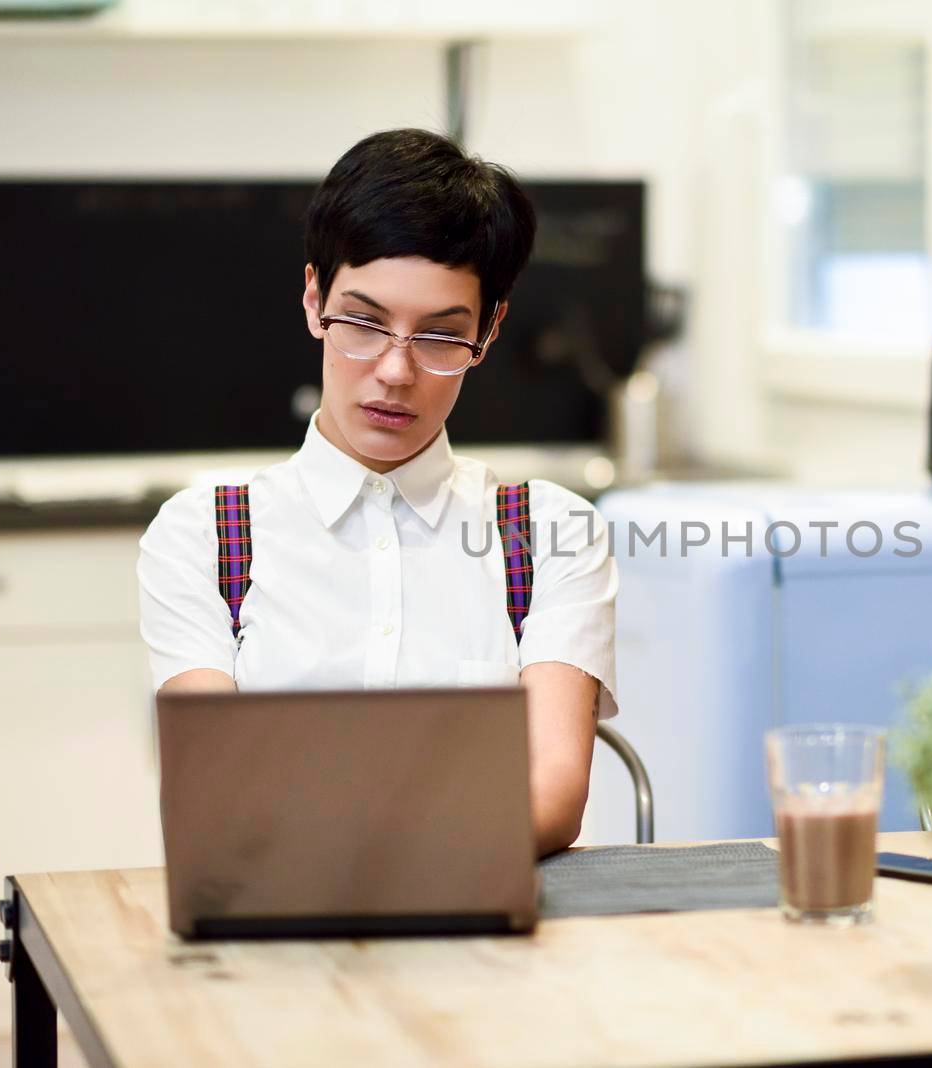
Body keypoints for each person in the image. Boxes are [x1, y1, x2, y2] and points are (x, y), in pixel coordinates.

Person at [136, 129, 618, 856]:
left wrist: (368, 853)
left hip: (490, 936)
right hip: (277, 934)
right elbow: (210, 787)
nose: (395, 370)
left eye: (439, 336)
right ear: (313, 298)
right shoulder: (205, 533)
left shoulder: (551, 534)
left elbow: (552, 793)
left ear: (489, 332)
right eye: (363, 322)